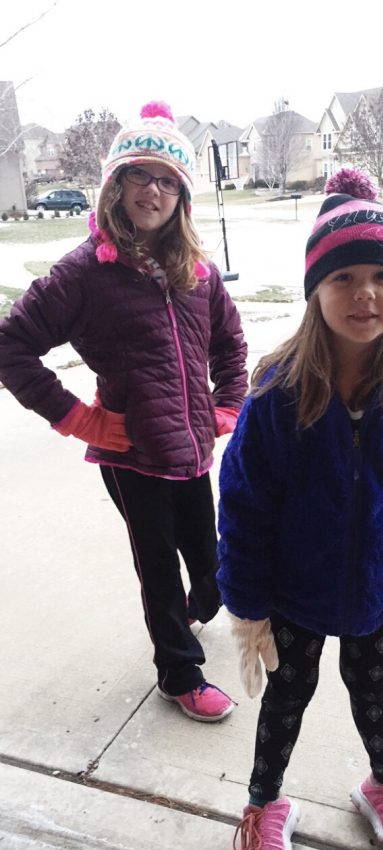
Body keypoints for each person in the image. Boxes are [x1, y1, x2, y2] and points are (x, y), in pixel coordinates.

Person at [217, 168, 383, 850]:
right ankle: (265, 801)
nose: (365, 294)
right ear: (314, 291)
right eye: (344, 277)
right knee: (288, 696)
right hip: (294, 595)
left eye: (382, 276)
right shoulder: (277, 395)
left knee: (371, 689)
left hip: (377, 594)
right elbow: (243, 507)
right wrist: (248, 608)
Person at [0, 101, 248, 723]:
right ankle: (179, 672)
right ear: (116, 185)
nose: (153, 189)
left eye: (168, 180)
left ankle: (198, 609)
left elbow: (230, 344)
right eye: (140, 174)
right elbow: (12, 346)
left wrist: (228, 406)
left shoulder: (197, 272)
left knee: (211, 562)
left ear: (182, 197)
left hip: (192, 447)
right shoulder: (84, 273)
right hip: (130, 451)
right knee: (158, 565)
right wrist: (79, 418)